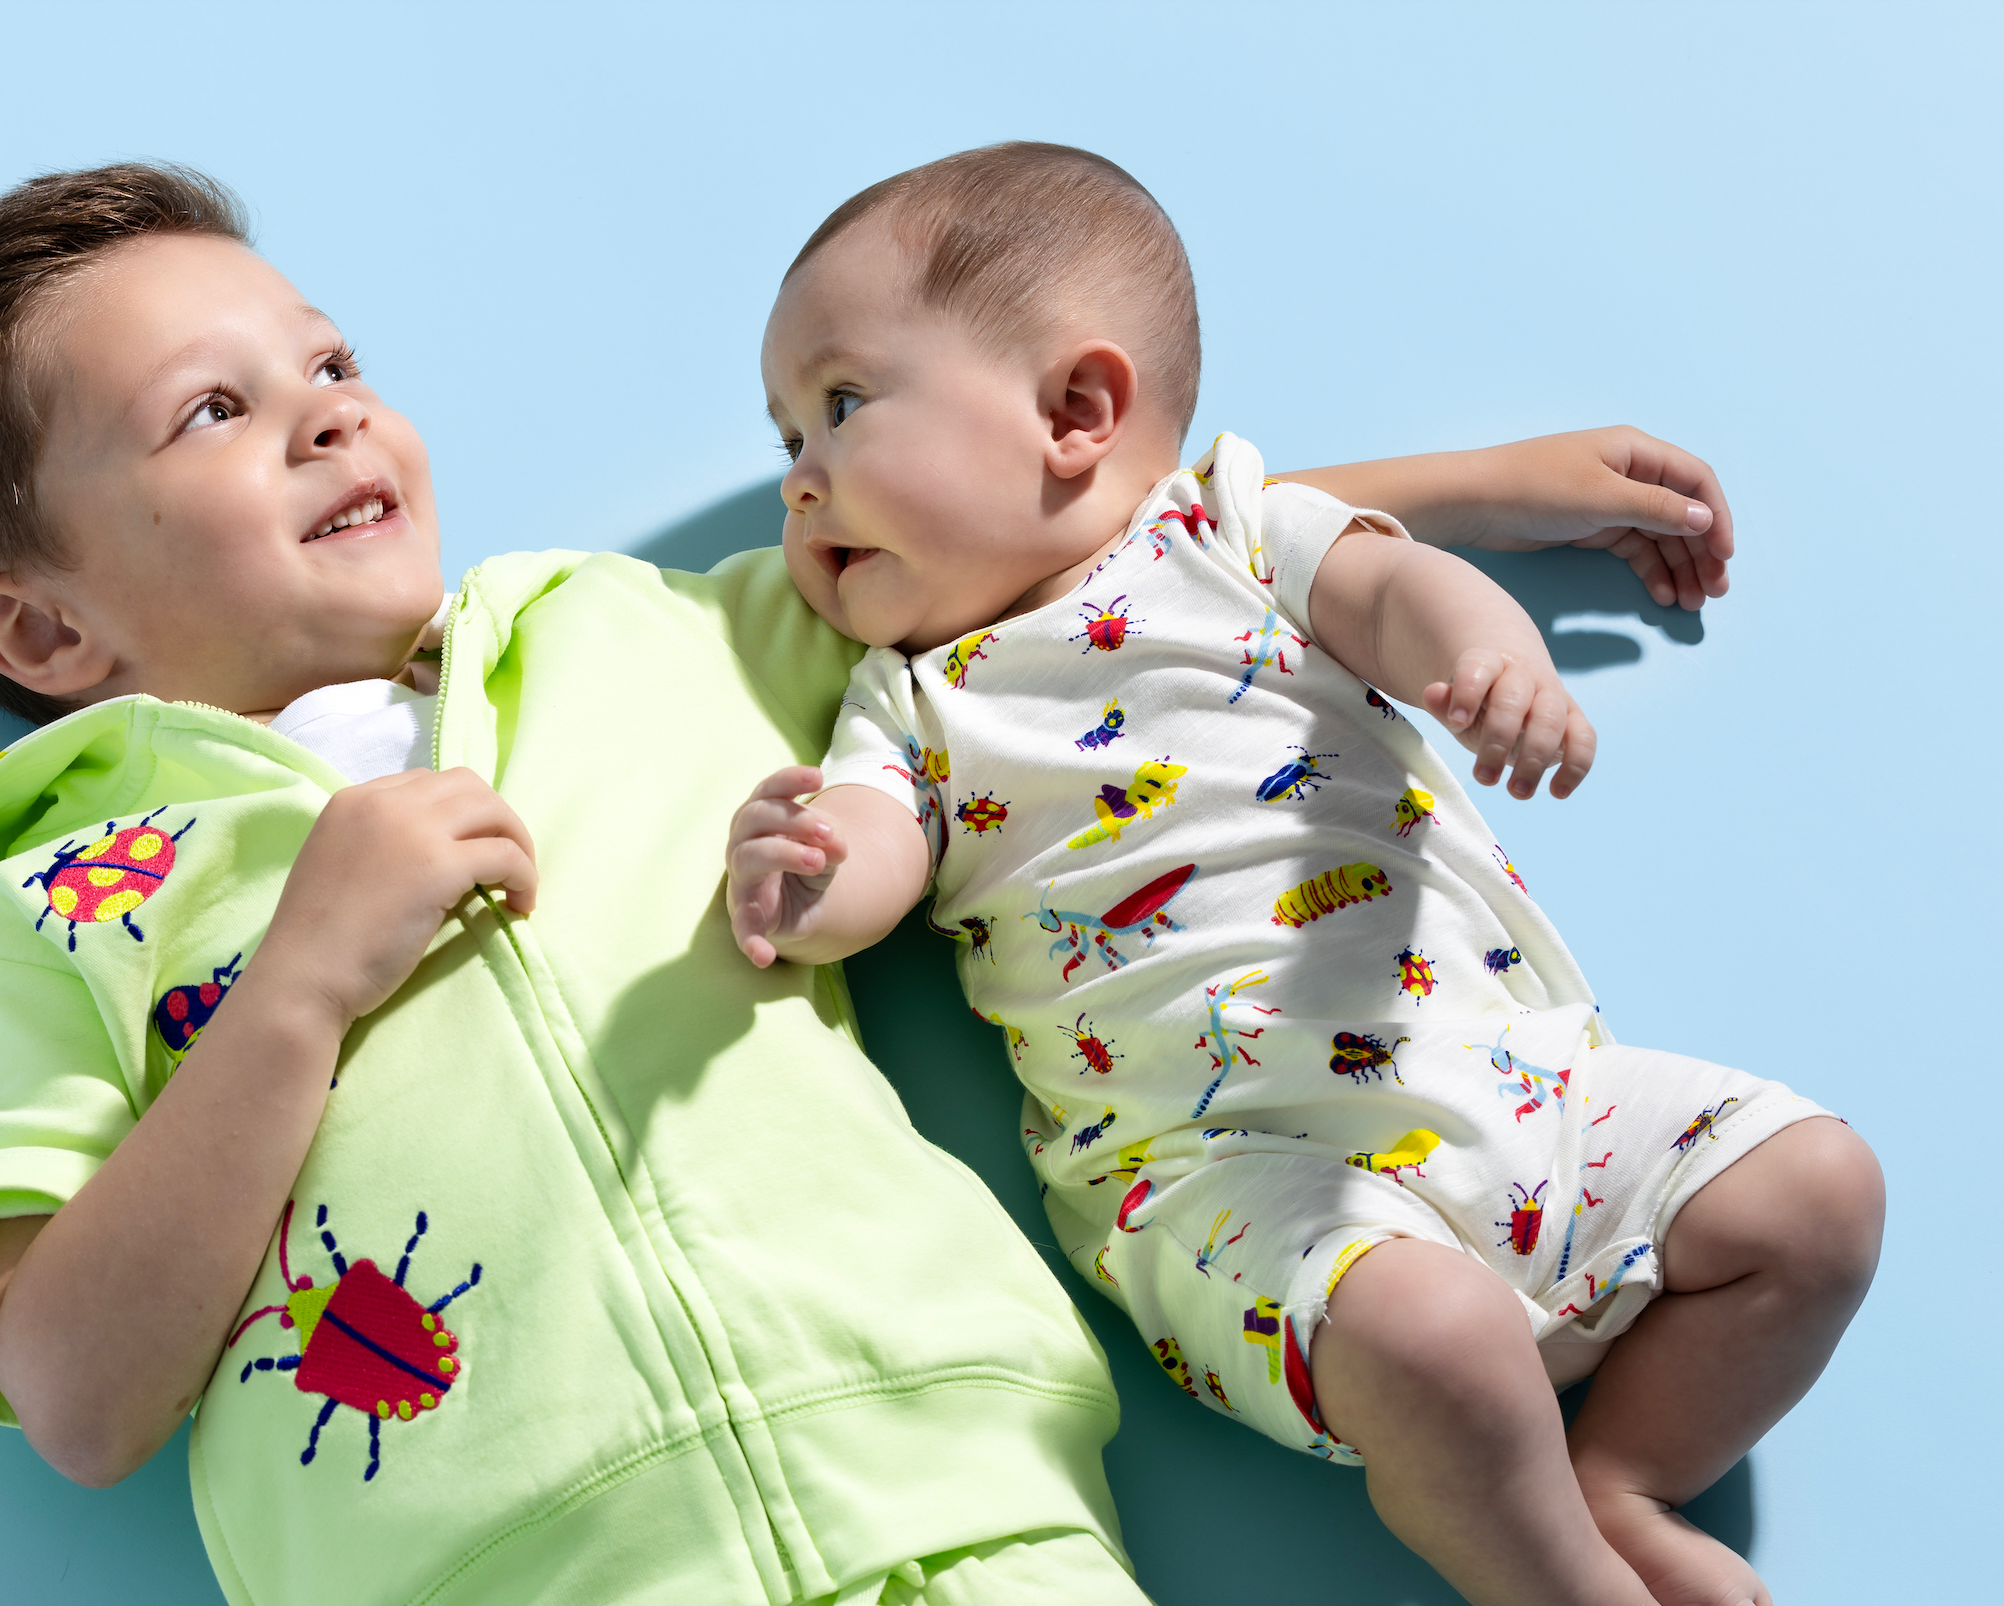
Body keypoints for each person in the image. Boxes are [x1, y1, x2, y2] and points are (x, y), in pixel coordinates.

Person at [723, 143, 1883, 1606]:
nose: (802, 483)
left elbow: (1395, 586)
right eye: (783, 445)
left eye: (837, 405)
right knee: (1440, 1349)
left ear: (1076, 411)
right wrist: (806, 877)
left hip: (1527, 1100)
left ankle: (1621, 1480)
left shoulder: (1230, 529)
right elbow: (874, 855)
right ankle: (1561, 1579)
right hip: (1244, 1194)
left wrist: (1486, 657)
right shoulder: (914, 697)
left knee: (1820, 1191)